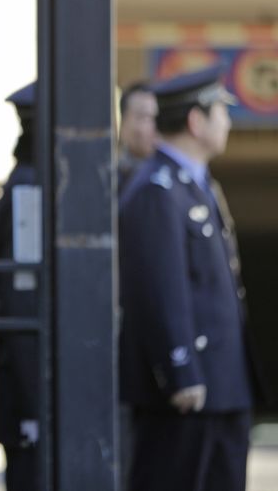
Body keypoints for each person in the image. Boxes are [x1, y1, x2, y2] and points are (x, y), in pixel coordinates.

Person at [119, 63, 264, 491]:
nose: (227, 122)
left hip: (221, 385)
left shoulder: (195, 184)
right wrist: (181, 371)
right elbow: (160, 289)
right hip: (189, 392)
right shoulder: (156, 190)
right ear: (196, 121)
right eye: (221, 111)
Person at [0, 81, 41, 490]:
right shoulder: (29, 185)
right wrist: (34, 393)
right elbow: (24, 292)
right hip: (31, 374)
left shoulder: (26, 177)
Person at [118, 81, 158, 190]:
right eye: (146, 117)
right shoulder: (112, 181)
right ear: (123, 124)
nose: (155, 126)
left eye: (157, 118)